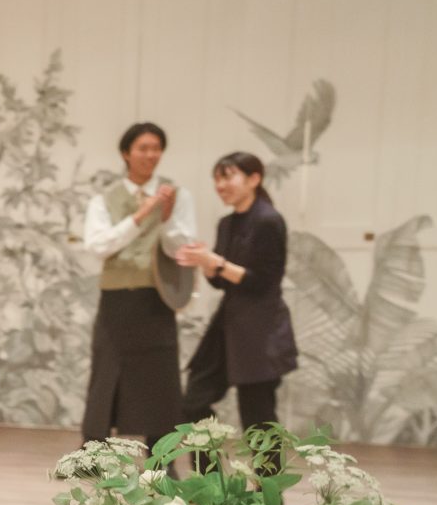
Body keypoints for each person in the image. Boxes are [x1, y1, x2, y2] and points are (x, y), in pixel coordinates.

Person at [81, 122, 199, 452]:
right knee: (106, 373)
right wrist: (142, 214)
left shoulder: (178, 196)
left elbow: (182, 248)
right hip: (116, 298)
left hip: (157, 297)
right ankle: (93, 456)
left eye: (156, 148)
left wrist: (166, 219)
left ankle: (162, 459)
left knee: (161, 378)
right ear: (126, 153)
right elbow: (98, 246)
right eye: (143, 148)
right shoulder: (103, 199)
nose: (151, 155)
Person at [177, 151, 298, 432]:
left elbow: (263, 281)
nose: (220, 186)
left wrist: (216, 263)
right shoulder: (226, 223)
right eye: (217, 180)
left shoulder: (268, 220)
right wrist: (206, 264)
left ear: (254, 179)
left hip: (261, 330)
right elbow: (222, 282)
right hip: (228, 325)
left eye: (228, 177)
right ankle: (210, 461)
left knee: (257, 416)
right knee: (194, 401)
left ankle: (268, 466)